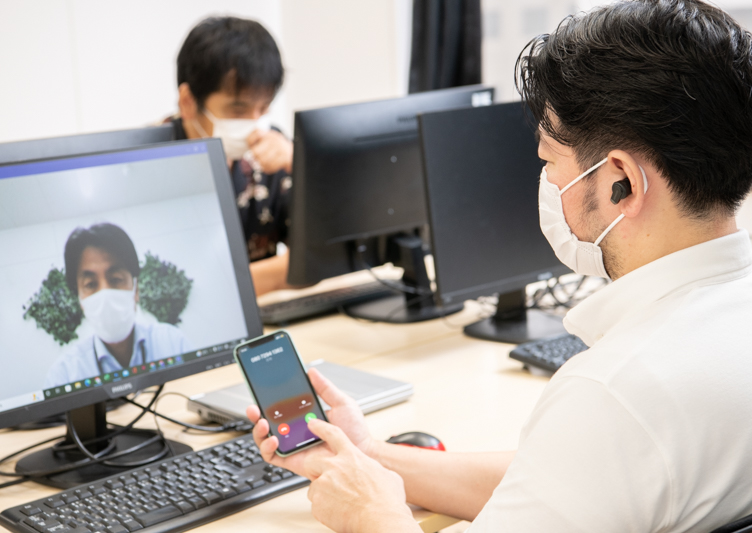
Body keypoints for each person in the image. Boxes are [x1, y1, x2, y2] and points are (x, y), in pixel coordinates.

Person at [246, 0, 752, 531]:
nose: (547, 182)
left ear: (619, 181)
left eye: (549, 161)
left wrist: (372, 514)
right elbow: (564, 487)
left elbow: (595, 456)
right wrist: (369, 454)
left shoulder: (612, 395)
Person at [167, 16, 292, 296]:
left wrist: (300, 166)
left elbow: (317, 259)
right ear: (188, 102)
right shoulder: (150, 162)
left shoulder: (275, 152)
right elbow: (178, 292)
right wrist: (276, 275)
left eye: (264, 108)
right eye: (238, 110)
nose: (254, 123)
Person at [44, 223, 191, 388]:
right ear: (80, 300)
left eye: (115, 279)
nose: (105, 293)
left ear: (136, 289)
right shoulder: (64, 375)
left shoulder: (172, 343)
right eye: (91, 284)